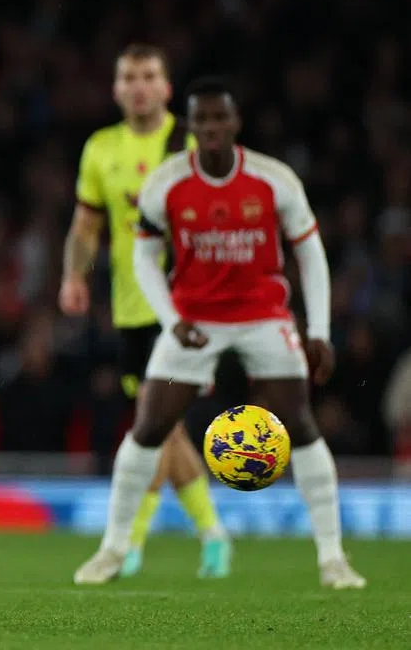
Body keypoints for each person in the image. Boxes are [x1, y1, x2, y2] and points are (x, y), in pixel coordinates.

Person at [73, 76, 366, 589]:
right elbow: (143, 255)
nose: (210, 128)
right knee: (148, 426)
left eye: (219, 118)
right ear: (191, 126)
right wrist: (171, 320)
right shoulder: (167, 182)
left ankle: (332, 559)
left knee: (299, 422)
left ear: (235, 123)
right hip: (195, 319)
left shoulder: (274, 179)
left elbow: (311, 253)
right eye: (201, 120)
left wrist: (319, 329)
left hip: (263, 317)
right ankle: (113, 549)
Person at [59, 45, 230, 577]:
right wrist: (74, 274)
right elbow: (87, 225)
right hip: (131, 311)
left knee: (156, 424)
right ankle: (213, 534)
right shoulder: (100, 148)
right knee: (163, 427)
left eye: (148, 76)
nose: (137, 86)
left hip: (186, 306)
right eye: (128, 77)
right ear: (115, 89)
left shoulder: (191, 142)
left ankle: (129, 543)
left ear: (165, 87)